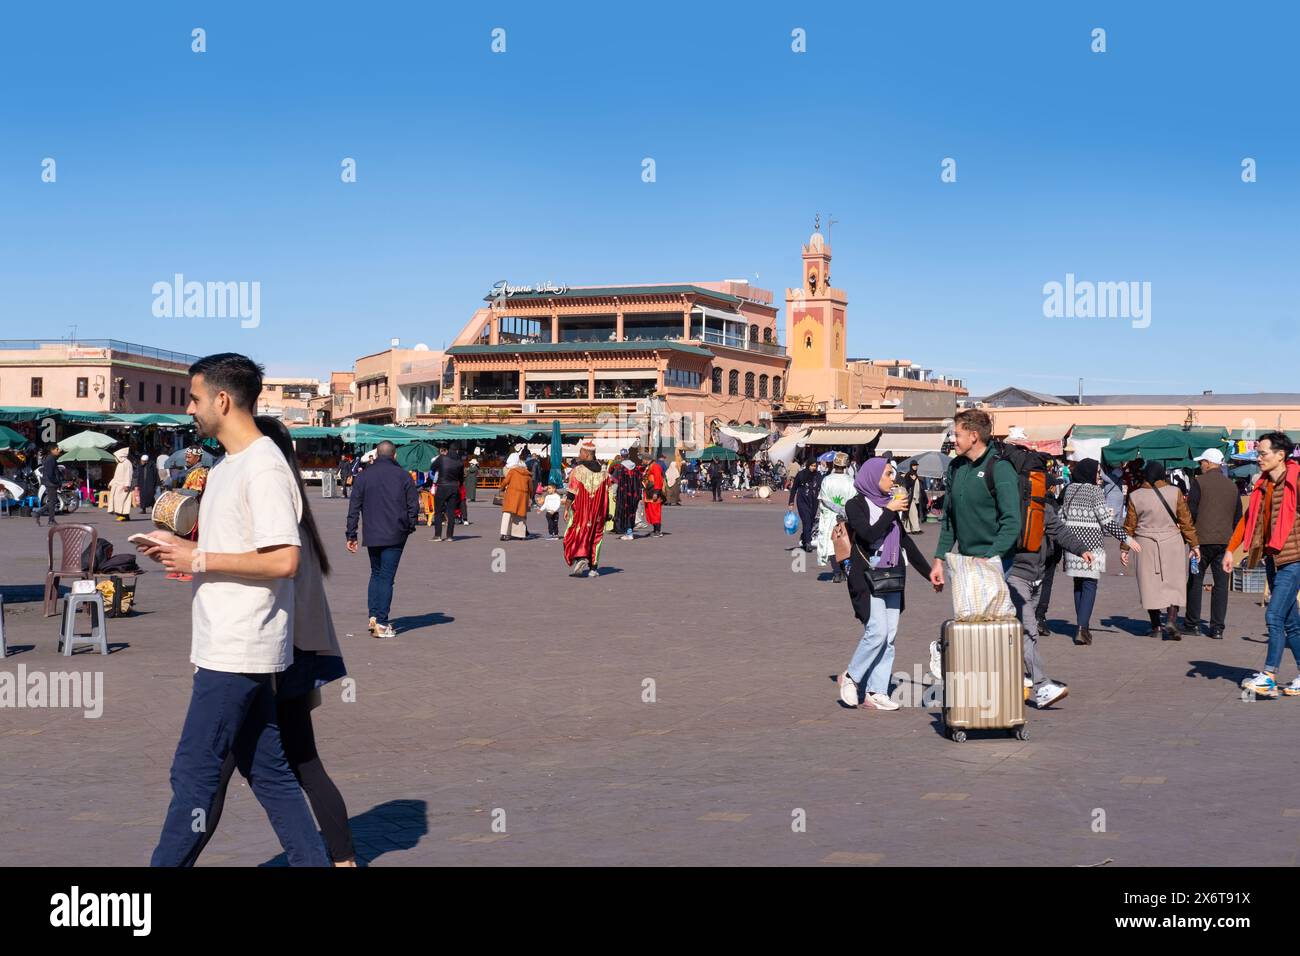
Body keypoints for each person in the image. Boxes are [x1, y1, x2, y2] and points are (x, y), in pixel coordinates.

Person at [140, 352, 328, 867]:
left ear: (222, 400)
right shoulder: (225, 467)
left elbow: (285, 559)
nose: (190, 410)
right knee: (270, 773)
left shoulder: (264, 467)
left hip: (238, 648)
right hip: (225, 644)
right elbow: (231, 546)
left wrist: (196, 556)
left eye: (195, 399)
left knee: (194, 774)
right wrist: (176, 544)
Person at [195, 416, 355, 866]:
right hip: (293, 656)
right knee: (299, 761)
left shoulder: (279, 517)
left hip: (271, 658)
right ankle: (342, 859)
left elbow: (276, 580)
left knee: (214, 771)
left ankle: (177, 856)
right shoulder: (292, 509)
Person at [926, 410, 1022, 675]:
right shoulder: (956, 468)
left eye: (957, 434)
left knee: (991, 625)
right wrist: (938, 560)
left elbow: (1012, 521)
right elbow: (949, 520)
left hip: (996, 560)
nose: (953, 440)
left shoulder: (999, 468)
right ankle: (973, 675)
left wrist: (991, 557)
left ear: (974, 435)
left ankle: (1009, 679)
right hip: (967, 563)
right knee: (971, 622)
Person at [838, 458, 933, 710]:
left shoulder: (888, 504)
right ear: (873, 477)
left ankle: (876, 691)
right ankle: (851, 676)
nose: (893, 479)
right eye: (889, 474)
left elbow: (905, 543)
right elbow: (869, 536)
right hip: (867, 578)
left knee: (889, 636)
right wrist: (890, 510)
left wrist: (929, 572)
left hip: (892, 577)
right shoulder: (856, 504)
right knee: (876, 632)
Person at [1007, 484, 1094, 708]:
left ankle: (1017, 678)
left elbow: (1060, 531)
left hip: (1036, 579)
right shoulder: (1009, 508)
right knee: (1028, 631)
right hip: (1015, 578)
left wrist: (1081, 549)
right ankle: (1042, 685)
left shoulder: (1044, 509)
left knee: (1018, 633)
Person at [1227, 433, 1300, 698]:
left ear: (1281, 455)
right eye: (1257, 453)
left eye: (1262, 453)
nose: (1258, 458)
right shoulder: (1263, 486)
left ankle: (1269, 676)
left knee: (1273, 616)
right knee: (1291, 623)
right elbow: (1248, 520)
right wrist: (1229, 550)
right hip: (1273, 558)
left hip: (1294, 559)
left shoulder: (1296, 481)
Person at [345, 440, 419, 639]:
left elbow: (354, 508)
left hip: (372, 532)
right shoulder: (404, 476)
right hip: (395, 533)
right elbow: (414, 505)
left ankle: (373, 616)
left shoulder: (363, 476)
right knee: (386, 577)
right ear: (394, 456)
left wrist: (351, 534)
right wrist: (409, 526)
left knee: (376, 573)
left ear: (376, 455)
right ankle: (383, 623)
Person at [1057, 458, 1134, 644]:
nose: (1099, 476)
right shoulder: (1095, 491)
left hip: (1072, 546)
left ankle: (1081, 625)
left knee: (1078, 584)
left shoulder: (1069, 490)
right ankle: (1082, 628)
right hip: (1091, 546)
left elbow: (1061, 516)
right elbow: (1106, 521)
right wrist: (1126, 538)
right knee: (1090, 584)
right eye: (1097, 472)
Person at [1122, 461, 1199, 639]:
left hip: (1145, 543)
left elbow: (1129, 526)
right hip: (1173, 542)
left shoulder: (1136, 495)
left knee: (1149, 585)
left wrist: (1124, 548)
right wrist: (1194, 545)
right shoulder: (1175, 492)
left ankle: (1156, 626)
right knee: (1174, 582)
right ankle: (1171, 619)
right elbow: (1186, 521)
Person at [1183, 447, 1240, 639]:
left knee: (1195, 581)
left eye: (1202, 462)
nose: (1200, 466)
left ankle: (1192, 624)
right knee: (1221, 585)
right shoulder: (1232, 486)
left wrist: (1191, 540)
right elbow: (1238, 516)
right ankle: (1217, 628)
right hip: (1225, 542)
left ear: (1208, 463)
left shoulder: (1198, 482)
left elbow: (1191, 512)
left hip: (1201, 541)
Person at [563, 440, 610, 577]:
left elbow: (571, 492)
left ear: (587, 453)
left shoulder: (578, 471)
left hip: (582, 510)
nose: (579, 455)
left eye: (580, 452)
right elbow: (607, 494)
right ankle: (593, 568)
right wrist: (607, 513)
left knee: (575, 533)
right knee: (596, 536)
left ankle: (580, 557)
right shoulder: (604, 472)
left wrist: (566, 508)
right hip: (599, 511)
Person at [815, 452, 856, 583]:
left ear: (834, 464)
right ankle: (844, 571)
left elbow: (823, 500)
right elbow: (855, 500)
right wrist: (843, 510)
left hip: (830, 517)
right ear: (845, 466)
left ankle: (837, 572)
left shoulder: (827, 480)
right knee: (844, 543)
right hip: (846, 516)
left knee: (831, 543)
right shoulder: (851, 481)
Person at [429, 444, 465, 543]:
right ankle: (450, 536)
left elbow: (432, 467)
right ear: (457, 451)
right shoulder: (460, 462)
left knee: (438, 511)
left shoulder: (442, 458)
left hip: (442, 486)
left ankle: (438, 535)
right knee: (451, 512)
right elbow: (461, 478)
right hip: (453, 487)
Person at [787, 459, 822, 553]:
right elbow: (794, 489)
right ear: (808, 465)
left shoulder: (818, 475)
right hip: (802, 501)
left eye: (815, 466)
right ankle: (808, 543)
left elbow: (822, 488)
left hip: (814, 502)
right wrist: (791, 502)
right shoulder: (801, 474)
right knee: (806, 521)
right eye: (812, 466)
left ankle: (804, 537)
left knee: (810, 522)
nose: (813, 468)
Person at [499, 451, 532, 541]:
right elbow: (530, 488)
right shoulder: (527, 474)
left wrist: (501, 488)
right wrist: (530, 497)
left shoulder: (512, 471)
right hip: (523, 496)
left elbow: (506, 481)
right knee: (520, 515)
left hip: (511, 494)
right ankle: (520, 535)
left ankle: (504, 534)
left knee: (507, 514)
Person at [610, 449, 641, 540]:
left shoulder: (619, 467)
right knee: (632, 512)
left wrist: (614, 493)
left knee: (623, 512)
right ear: (628, 455)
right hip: (634, 493)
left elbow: (615, 482)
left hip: (623, 494)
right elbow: (639, 480)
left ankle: (627, 533)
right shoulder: (635, 467)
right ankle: (630, 531)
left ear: (622, 456)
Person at [35, 444, 62, 527]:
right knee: (52, 502)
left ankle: (41, 514)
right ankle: (50, 519)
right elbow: (50, 474)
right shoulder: (50, 459)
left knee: (52, 501)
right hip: (51, 483)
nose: (59, 450)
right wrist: (56, 482)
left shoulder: (49, 458)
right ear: (52, 450)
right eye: (57, 449)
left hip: (49, 482)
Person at [108, 446, 134, 521]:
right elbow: (116, 476)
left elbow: (128, 475)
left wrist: (127, 485)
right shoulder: (120, 464)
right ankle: (122, 515)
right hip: (117, 485)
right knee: (117, 501)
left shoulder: (127, 463)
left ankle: (124, 515)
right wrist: (111, 483)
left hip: (123, 486)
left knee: (123, 501)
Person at [643, 455, 665, 537]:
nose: (642, 461)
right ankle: (655, 529)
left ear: (647, 459)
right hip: (649, 492)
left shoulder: (655, 466)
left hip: (653, 493)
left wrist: (656, 492)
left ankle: (658, 531)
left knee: (655, 511)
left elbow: (658, 479)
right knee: (651, 511)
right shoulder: (650, 466)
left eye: (643, 459)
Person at [900, 461, 922, 533]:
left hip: (913, 496)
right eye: (914, 465)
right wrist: (912, 480)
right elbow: (907, 485)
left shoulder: (915, 474)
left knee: (909, 513)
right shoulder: (909, 474)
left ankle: (908, 528)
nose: (915, 467)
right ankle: (916, 529)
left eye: (916, 465)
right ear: (911, 466)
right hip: (910, 496)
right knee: (913, 512)